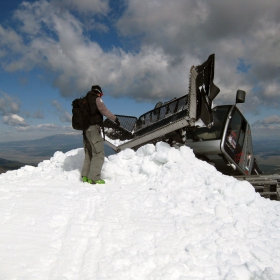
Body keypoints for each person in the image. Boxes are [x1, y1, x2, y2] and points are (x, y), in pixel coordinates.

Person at [81, 85, 120, 184]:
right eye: (101, 94)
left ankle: (85, 176)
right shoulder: (96, 99)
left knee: (89, 153)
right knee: (98, 153)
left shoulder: (84, 100)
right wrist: (115, 119)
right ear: (99, 92)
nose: (101, 96)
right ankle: (94, 178)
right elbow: (104, 111)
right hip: (94, 129)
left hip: (85, 130)